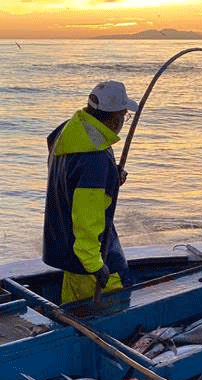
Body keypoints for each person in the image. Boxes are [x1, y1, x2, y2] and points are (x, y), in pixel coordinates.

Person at [43, 80, 137, 305]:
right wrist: (96, 266)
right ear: (115, 119)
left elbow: (72, 181)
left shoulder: (70, 132)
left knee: (74, 315)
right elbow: (86, 221)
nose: (124, 121)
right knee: (117, 312)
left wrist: (110, 178)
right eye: (125, 115)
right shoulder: (95, 159)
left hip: (69, 258)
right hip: (89, 260)